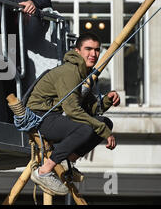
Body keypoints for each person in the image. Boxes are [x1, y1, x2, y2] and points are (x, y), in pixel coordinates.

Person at [25, 32, 120, 195]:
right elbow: (73, 110)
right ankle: (44, 171)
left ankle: (70, 161)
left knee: (105, 122)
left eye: (97, 50)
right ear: (77, 51)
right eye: (88, 49)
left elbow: (90, 110)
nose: (93, 54)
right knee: (86, 129)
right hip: (40, 117)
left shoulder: (84, 73)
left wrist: (107, 101)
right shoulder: (71, 71)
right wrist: (104, 132)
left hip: (53, 116)